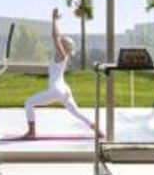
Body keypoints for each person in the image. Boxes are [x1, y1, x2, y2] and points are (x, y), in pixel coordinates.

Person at [22, 8, 102, 139]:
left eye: (62, 42)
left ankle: (31, 132)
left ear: (64, 46)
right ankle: (97, 130)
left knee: (28, 103)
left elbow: (55, 37)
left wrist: (54, 20)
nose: (60, 41)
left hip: (57, 90)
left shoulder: (61, 54)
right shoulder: (62, 56)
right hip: (64, 89)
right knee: (76, 112)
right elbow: (58, 38)